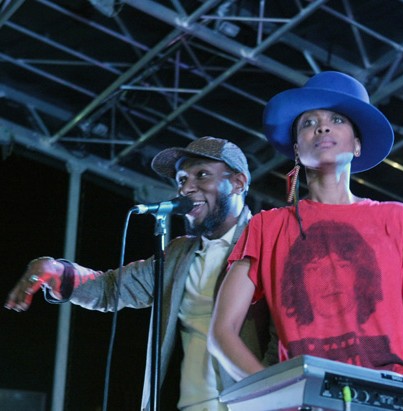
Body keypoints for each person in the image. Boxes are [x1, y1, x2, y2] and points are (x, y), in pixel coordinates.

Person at [208, 71, 403, 388]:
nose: (322, 126)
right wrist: (272, 390)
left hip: (392, 393)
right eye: (308, 122)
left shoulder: (402, 220)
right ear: (297, 150)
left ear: (357, 145)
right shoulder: (265, 227)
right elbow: (222, 332)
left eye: (337, 119)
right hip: (305, 399)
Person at [5, 136, 277, 411]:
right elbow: (111, 289)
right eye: (182, 180)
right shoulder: (178, 253)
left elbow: (285, 334)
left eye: (202, 175)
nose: (186, 188)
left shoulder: (269, 244)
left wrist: (273, 396)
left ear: (238, 182)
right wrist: (59, 272)